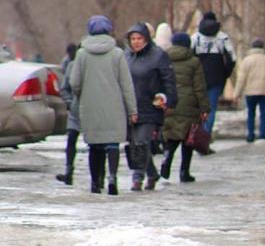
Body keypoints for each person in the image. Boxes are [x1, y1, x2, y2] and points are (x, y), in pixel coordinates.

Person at [68, 15, 138, 195]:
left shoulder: (82, 54)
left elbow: (74, 82)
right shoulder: (118, 54)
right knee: (112, 144)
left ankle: (95, 182)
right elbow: (126, 84)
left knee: (94, 145)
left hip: (90, 106)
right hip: (114, 107)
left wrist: (82, 94)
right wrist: (132, 111)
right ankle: (112, 178)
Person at [125, 22, 176, 191]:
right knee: (135, 144)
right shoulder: (126, 56)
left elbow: (168, 79)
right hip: (130, 107)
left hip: (150, 106)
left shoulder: (158, 55)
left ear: (146, 39)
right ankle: (152, 173)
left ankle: (137, 178)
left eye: (139, 38)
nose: (136, 42)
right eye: (133, 39)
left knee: (141, 142)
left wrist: (170, 100)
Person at [160, 32, 210, 183]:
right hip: (189, 103)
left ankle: (167, 157)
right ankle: (184, 172)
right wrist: (204, 108)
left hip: (170, 102)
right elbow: (199, 87)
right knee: (188, 138)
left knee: (172, 134)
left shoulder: (164, 59)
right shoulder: (194, 61)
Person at [191, 11, 236, 139]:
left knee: (198, 108)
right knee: (211, 109)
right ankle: (205, 137)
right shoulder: (222, 37)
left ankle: (196, 136)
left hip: (198, 77)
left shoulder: (195, 37)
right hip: (216, 77)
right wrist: (225, 74)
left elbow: (189, 56)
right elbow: (232, 58)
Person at [234, 38, 265, 142]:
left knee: (251, 113)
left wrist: (236, 94)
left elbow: (241, 79)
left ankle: (251, 135)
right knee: (264, 114)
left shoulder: (247, 60)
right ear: (262, 47)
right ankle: (262, 135)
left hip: (250, 92)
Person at [56, 43, 81, 185]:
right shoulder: (71, 66)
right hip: (75, 111)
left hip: (93, 110)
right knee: (71, 139)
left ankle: (99, 176)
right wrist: (70, 103)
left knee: (97, 145)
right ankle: (68, 171)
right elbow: (64, 88)